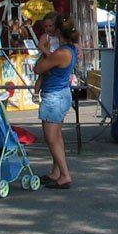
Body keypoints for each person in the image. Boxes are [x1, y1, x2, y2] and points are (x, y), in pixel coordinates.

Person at [33, 16, 79, 189]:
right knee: (57, 137)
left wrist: (43, 49)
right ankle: (56, 171)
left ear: (58, 31)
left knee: (51, 138)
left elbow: (38, 68)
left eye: (51, 27)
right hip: (61, 94)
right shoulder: (70, 49)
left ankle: (65, 175)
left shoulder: (60, 53)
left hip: (54, 97)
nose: (48, 30)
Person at [33, 11, 62, 100]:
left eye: (50, 26)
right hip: (47, 56)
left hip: (56, 57)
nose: (48, 28)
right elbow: (40, 45)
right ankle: (36, 93)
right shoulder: (46, 36)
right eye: (46, 26)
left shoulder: (59, 36)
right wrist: (48, 53)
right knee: (41, 76)